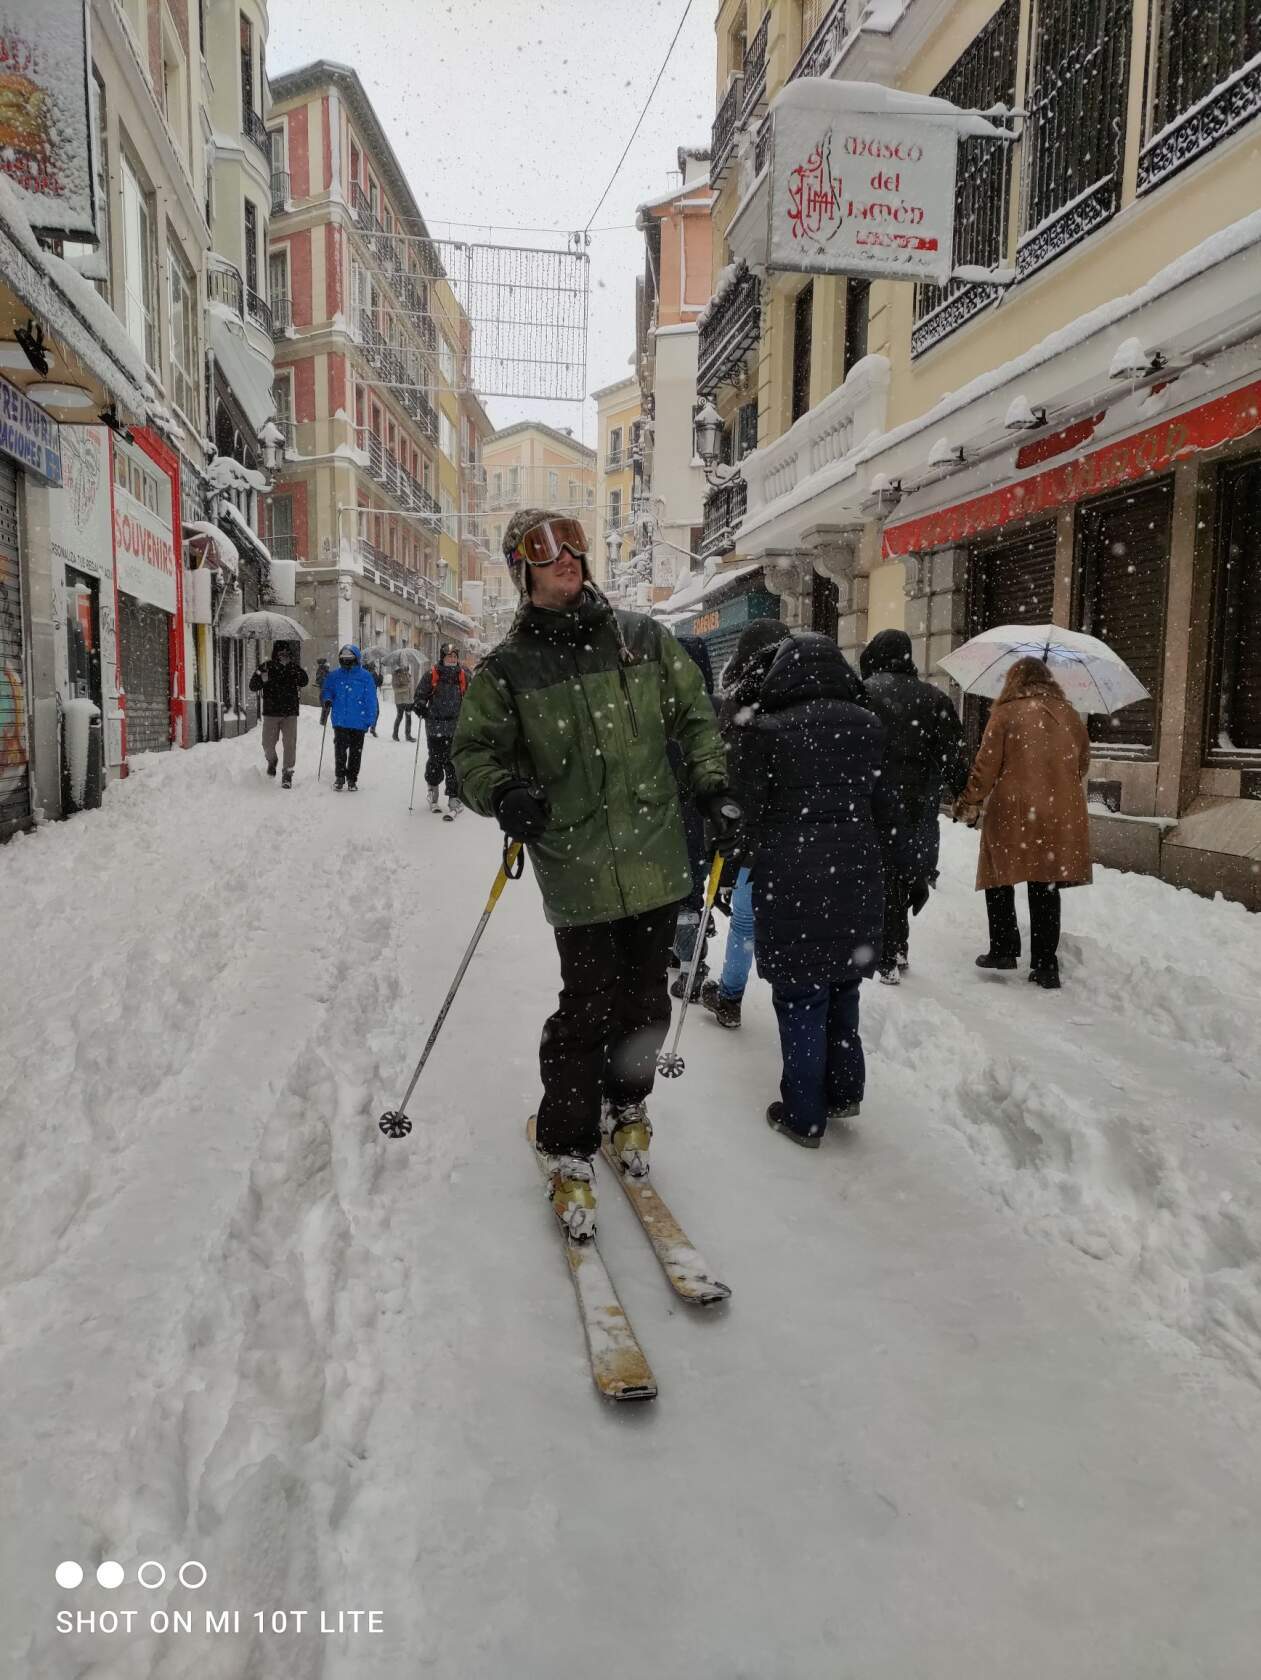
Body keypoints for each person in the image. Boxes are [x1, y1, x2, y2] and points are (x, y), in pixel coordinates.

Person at [452, 508, 733, 1239]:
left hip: (652, 854)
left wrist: (712, 782)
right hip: (575, 864)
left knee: (645, 1002)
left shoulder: (642, 640)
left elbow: (696, 716)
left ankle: (627, 1104)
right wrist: (504, 791)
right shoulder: (508, 669)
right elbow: (472, 756)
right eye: (545, 549)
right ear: (523, 569)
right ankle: (567, 1141)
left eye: (573, 541)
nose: (567, 557)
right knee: (586, 1008)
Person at [731, 630, 893, 1147]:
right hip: (857, 868)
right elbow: (885, 805)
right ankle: (844, 1091)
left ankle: (804, 1113)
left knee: (800, 991)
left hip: (793, 873)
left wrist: (738, 849)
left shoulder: (766, 731)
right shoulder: (870, 726)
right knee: (844, 983)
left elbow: (746, 812)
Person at [954, 655, 1091, 989]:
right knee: (1046, 883)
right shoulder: (1070, 714)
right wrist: (1055, 785)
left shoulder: (1005, 713)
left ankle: (1003, 947)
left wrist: (969, 798)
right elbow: (1083, 762)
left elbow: (986, 766)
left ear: (1013, 679)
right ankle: (1045, 965)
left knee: (998, 874)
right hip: (1058, 812)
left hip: (1013, 809)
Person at [859, 629, 969, 984]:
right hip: (919, 802)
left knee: (882, 875)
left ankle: (886, 953)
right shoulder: (934, 699)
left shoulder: (865, 694)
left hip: (875, 800)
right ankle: (898, 944)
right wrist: (963, 791)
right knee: (908, 871)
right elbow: (953, 754)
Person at [699, 619, 791, 1031]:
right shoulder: (801, 697)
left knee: (746, 918)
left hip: (753, 834)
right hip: (797, 832)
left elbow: (724, 782)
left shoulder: (739, 706)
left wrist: (719, 851)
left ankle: (731, 996)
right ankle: (791, 1004)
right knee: (788, 921)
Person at [668, 635, 718, 1001]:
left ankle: (685, 956)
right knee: (691, 893)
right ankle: (691, 962)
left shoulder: (655, 711)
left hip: (662, 819)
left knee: (671, 895)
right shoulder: (715, 710)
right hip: (703, 821)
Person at [413, 643, 469, 815]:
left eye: (454, 656)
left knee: (454, 762)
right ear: (442, 657)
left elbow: (473, 698)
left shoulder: (464, 675)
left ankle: (454, 795)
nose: (452, 659)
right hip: (435, 724)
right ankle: (433, 789)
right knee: (436, 760)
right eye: (448, 656)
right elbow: (420, 694)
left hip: (456, 725)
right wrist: (420, 705)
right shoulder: (432, 674)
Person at [248, 642, 308, 788]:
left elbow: (304, 681)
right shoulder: (266, 667)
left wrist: (294, 670)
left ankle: (287, 773)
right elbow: (253, 686)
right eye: (281, 654)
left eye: (286, 654)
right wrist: (261, 677)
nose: (284, 657)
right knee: (267, 744)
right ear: (276, 654)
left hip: (290, 713)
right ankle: (272, 760)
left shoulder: (294, 668)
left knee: (289, 744)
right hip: (271, 712)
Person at [319, 643, 379, 791]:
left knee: (355, 752)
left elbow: (370, 699)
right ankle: (340, 777)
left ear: (356, 659)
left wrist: (371, 719)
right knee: (340, 750)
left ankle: (352, 779)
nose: (346, 661)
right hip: (340, 720)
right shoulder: (334, 676)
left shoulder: (365, 677)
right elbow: (327, 690)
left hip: (359, 721)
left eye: (349, 658)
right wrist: (327, 699)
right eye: (344, 658)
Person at [390, 660, 416, 742]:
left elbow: (410, 687)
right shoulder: (396, 674)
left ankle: (408, 736)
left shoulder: (407, 673)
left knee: (409, 718)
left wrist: (412, 698)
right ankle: (395, 734)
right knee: (399, 717)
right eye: (404, 664)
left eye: (406, 664)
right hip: (400, 701)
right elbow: (395, 689)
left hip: (408, 700)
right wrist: (405, 688)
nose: (405, 665)